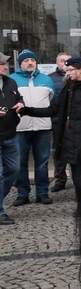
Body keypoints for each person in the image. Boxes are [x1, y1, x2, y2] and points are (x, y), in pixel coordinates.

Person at [20, 57, 81, 204]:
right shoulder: (67, 90)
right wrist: (26, 110)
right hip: (69, 138)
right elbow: (53, 109)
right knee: (76, 174)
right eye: (66, 70)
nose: (67, 73)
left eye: (70, 70)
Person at [9, 49, 55, 206]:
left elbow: (52, 100)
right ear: (20, 63)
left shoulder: (46, 80)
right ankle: (22, 193)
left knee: (42, 161)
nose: (30, 63)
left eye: (33, 60)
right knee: (20, 162)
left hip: (43, 127)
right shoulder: (11, 80)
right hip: (20, 128)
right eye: (26, 60)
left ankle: (42, 192)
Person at [0, 52, 25, 225]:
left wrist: (20, 104)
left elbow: (18, 98)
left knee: (13, 170)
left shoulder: (11, 82)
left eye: (5, 63)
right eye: (1, 64)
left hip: (10, 134)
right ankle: (0, 211)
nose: (5, 66)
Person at [48, 52, 70, 192]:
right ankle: (60, 179)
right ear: (57, 63)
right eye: (62, 61)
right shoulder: (49, 79)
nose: (65, 64)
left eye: (67, 61)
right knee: (59, 151)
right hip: (57, 121)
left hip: (74, 121)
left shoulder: (77, 78)